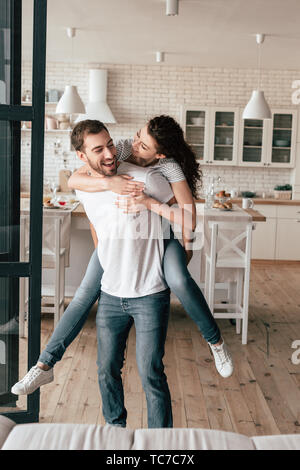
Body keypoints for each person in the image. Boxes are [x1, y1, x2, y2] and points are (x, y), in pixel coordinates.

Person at [12, 116, 233, 399]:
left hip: (163, 234)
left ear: (160, 154)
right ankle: (45, 364)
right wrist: (111, 185)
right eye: (137, 135)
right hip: (117, 244)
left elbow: (189, 219)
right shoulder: (122, 149)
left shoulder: (168, 167)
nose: (133, 144)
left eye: (144, 144)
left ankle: (215, 342)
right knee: (82, 296)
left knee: (178, 278)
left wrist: (182, 241)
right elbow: (76, 179)